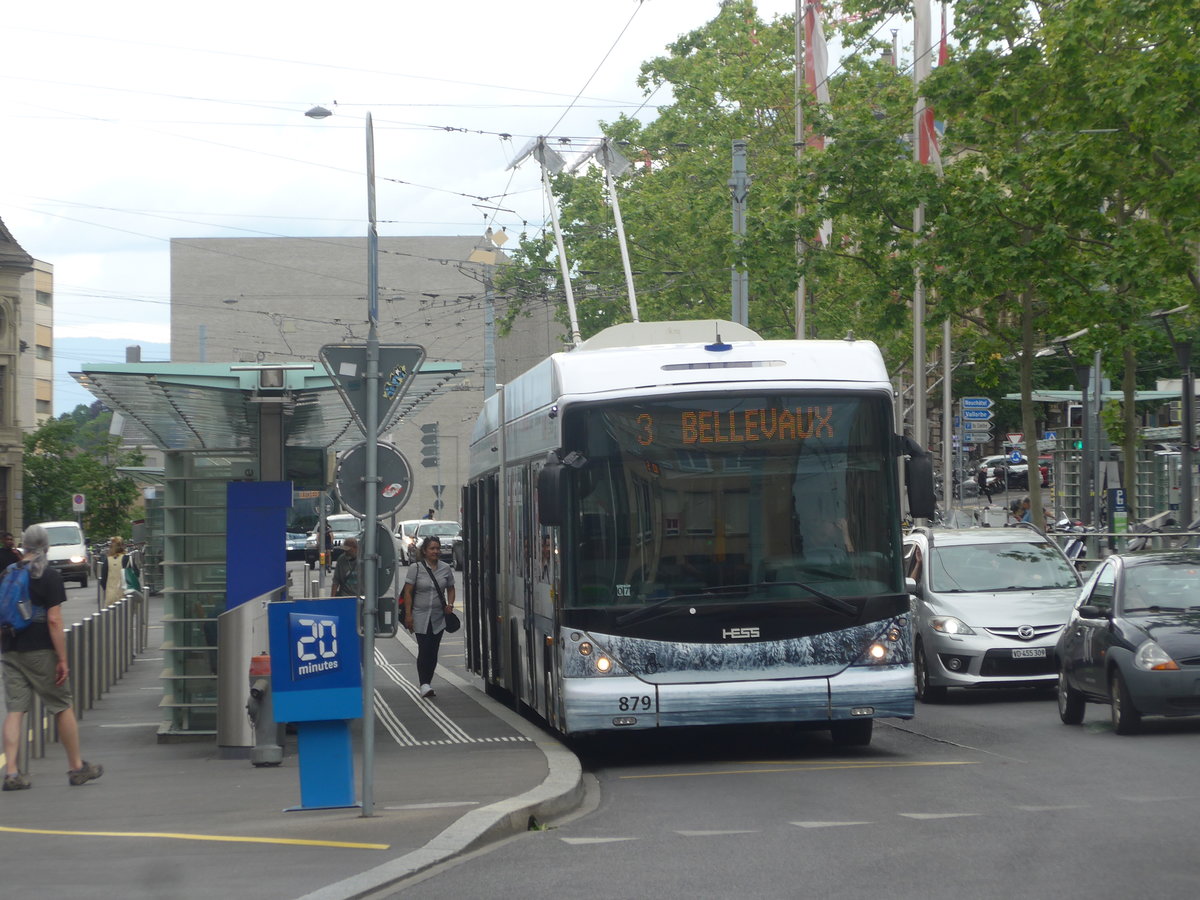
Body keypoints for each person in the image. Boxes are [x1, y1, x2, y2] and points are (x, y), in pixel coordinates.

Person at [2, 524, 102, 790]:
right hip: (40, 650)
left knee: (14, 710)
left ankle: (11, 772)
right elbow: (54, 621)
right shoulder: (49, 576)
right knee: (61, 705)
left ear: (24, 545)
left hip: (10, 647)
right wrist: (63, 659)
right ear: (46, 547)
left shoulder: (9, 573)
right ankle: (76, 766)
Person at [401, 536, 455, 699]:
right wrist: (408, 615)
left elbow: (451, 589)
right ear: (424, 551)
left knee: (433, 650)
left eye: (438, 548)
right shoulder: (415, 568)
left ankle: (428, 682)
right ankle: (424, 684)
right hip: (420, 616)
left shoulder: (446, 569)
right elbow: (408, 593)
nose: (436, 551)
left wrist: (450, 605)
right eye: (432, 548)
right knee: (424, 649)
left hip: (438, 617)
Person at [99, 537, 137, 608]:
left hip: (110, 596)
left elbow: (103, 581)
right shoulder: (127, 559)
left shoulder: (107, 561)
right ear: (123, 546)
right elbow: (137, 574)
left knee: (111, 618)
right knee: (126, 617)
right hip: (126, 596)